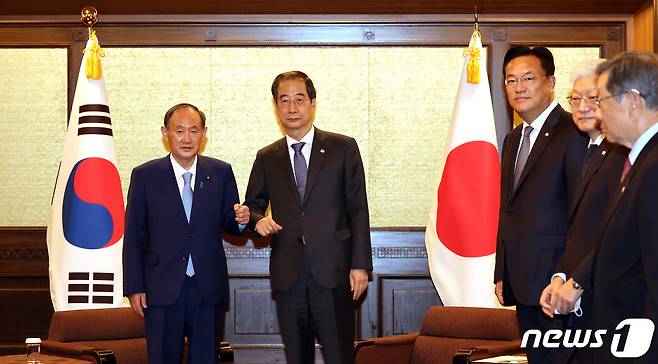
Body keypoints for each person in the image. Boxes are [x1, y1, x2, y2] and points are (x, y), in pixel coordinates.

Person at [243, 71, 372, 364]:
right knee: (296, 358)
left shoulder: (343, 147)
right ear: (275, 106)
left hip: (335, 272)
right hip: (289, 275)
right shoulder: (267, 156)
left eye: (299, 100)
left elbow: (358, 208)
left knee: (340, 355)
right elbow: (252, 207)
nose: (292, 108)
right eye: (284, 101)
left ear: (312, 103)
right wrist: (256, 219)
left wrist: (360, 265)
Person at [122, 103, 250, 363]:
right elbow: (133, 236)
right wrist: (134, 287)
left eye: (194, 130)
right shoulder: (145, 175)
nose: (187, 138)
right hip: (161, 288)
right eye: (179, 131)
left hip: (207, 287)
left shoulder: (220, 172)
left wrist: (241, 220)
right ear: (165, 133)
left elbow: (230, 222)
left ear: (204, 134)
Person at [493, 46, 588, 364]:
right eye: (510, 80)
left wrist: (569, 276)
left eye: (528, 78)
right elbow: (507, 209)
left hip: (556, 282)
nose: (518, 87)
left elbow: (582, 211)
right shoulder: (513, 138)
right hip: (521, 279)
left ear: (551, 82)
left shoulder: (573, 131)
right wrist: (501, 270)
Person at [539, 60, 629, 364]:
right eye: (575, 99)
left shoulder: (623, 154)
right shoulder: (586, 150)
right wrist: (560, 275)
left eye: (592, 97)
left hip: (607, 297)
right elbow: (578, 230)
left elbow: (616, 233)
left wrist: (576, 281)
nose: (582, 107)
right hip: (580, 300)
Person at [589, 52, 658, 362]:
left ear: (633, 102)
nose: (597, 113)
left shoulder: (654, 169)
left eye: (601, 101)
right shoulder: (639, 162)